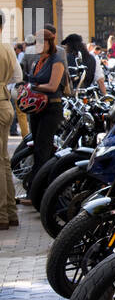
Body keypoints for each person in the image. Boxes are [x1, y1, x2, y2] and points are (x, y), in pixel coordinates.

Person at [24, 23, 69, 181]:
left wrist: (35, 87)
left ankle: (37, 190)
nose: (37, 45)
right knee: (39, 147)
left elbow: (53, 85)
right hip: (37, 109)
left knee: (42, 150)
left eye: (41, 42)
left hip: (50, 108)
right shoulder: (38, 61)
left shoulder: (56, 60)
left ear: (49, 43)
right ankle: (45, 185)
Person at [0, 14, 22, 227]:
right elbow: (18, 77)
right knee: (4, 160)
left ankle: (2, 217)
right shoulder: (7, 48)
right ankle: (10, 213)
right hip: (5, 103)